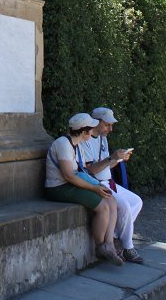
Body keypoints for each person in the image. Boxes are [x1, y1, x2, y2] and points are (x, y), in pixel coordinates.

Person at [45, 112, 124, 265]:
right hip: (58, 188)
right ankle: (100, 246)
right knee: (103, 207)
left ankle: (109, 245)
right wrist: (95, 189)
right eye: (91, 128)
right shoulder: (63, 144)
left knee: (110, 199)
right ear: (83, 131)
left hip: (71, 184)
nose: (93, 131)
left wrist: (98, 185)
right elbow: (68, 176)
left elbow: (82, 172)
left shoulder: (76, 144)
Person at [81, 107, 144, 264]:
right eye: (107, 124)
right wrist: (111, 158)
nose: (110, 128)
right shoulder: (86, 140)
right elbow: (90, 171)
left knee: (137, 202)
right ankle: (128, 247)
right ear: (96, 122)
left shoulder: (103, 138)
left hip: (109, 182)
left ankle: (115, 237)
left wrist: (119, 159)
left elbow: (108, 166)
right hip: (97, 183)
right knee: (124, 206)